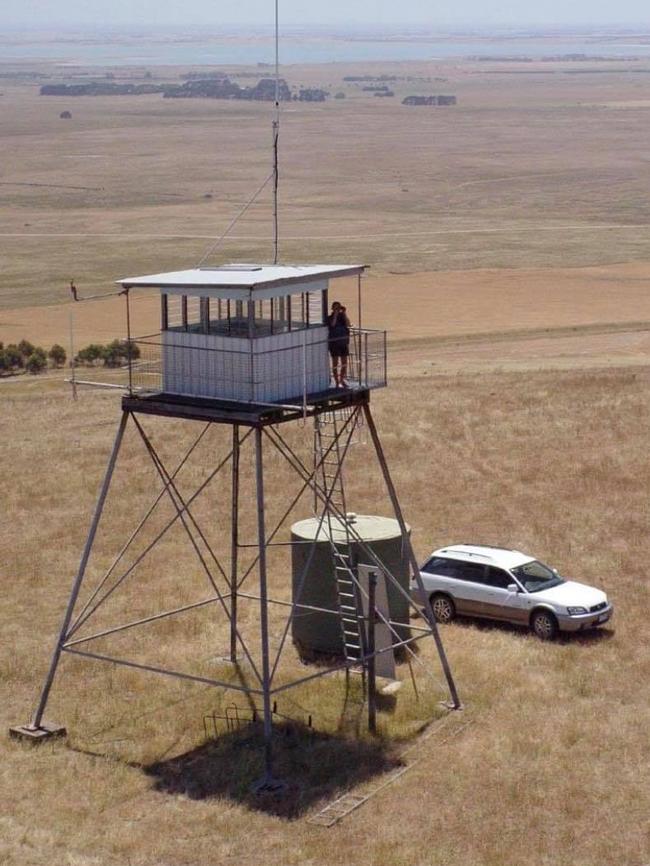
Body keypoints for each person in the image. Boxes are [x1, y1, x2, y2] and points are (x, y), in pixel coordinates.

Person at [327, 301, 351, 387]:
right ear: (333, 309)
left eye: (339, 308)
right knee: (335, 364)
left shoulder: (342, 317)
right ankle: (337, 381)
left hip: (343, 342)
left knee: (344, 363)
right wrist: (336, 315)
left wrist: (344, 313)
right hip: (334, 343)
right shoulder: (330, 318)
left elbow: (348, 324)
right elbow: (332, 325)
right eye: (336, 308)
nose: (337, 310)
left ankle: (342, 379)